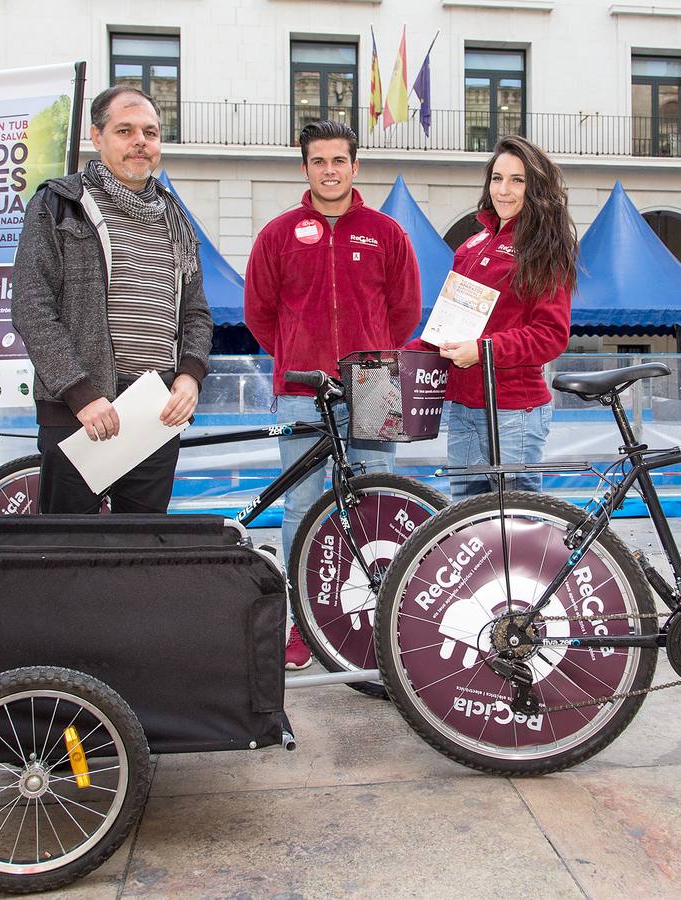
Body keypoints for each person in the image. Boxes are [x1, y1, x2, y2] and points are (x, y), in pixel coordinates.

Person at [244, 119, 422, 669]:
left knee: (376, 502)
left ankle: (375, 619)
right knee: (302, 505)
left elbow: (406, 311)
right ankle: (302, 622)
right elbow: (260, 314)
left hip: (374, 385)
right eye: (318, 161)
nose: (329, 171)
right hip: (301, 390)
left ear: (354, 166)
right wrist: (300, 359)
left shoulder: (386, 232)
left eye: (338, 161)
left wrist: (371, 361)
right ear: (305, 168)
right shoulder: (278, 234)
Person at [12, 85, 213, 514]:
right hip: (79, 411)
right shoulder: (58, 204)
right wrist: (81, 394)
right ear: (96, 136)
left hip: (153, 412)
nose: (140, 141)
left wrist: (190, 376)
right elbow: (32, 306)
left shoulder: (176, 220)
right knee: (67, 555)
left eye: (150, 132)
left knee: (138, 556)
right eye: (125, 130)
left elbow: (196, 313)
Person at [434, 135, 576, 499]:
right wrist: (393, 358)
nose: (504, 190)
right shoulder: (471, 245)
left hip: (515, 411)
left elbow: (550, 335)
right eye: (497, 178)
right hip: (464, 406)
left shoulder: (544, 248)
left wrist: (482, 352)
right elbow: (446, 326)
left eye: (517, 180)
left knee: (514, 526)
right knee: (467, 524)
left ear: (536, 186)